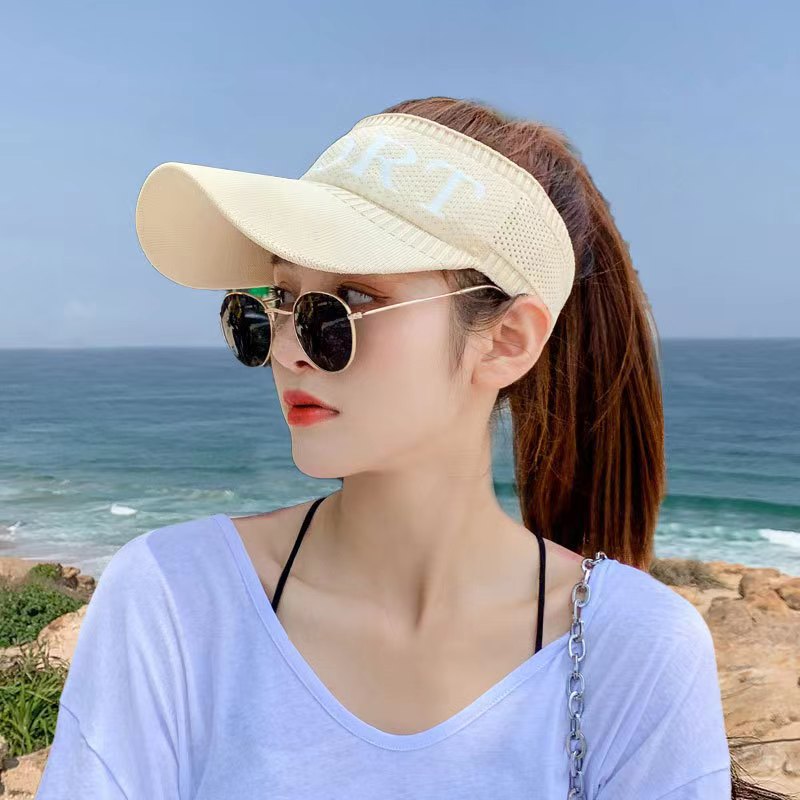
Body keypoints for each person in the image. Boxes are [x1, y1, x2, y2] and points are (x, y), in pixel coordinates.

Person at [38, 96, 768, 799]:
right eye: (279, 300)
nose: (289, 346)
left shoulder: (634, 651)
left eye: (351, 300)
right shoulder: (174, 599)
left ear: (507, 341)